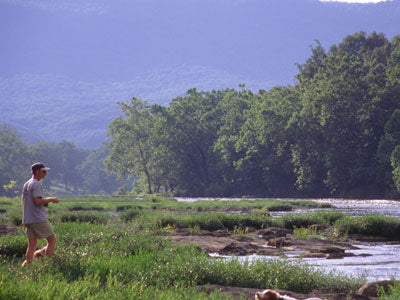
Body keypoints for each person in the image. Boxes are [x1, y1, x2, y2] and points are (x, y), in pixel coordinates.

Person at [21, 162, 59, 267]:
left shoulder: (27, 183)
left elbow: (25, 201)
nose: (45, 173)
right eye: (43, 171)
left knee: (32, 245)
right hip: (37, 219)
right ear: (37, 172)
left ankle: (28, 267)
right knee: (52, 240)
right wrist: (51, 199)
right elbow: (37, 201)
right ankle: (49, 264)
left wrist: (41, 209)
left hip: (28, 219)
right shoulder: (36, 184)